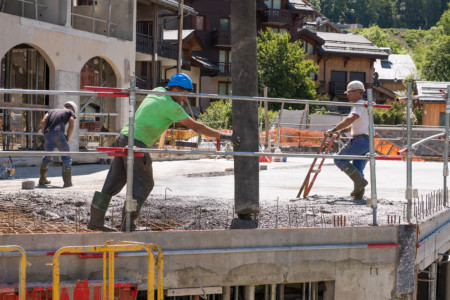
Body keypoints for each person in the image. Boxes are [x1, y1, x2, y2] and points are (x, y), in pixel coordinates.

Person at [87, 73, 240, 232]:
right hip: (137, 143)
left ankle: (95, 221)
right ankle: (128, 223)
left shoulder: (157, 91)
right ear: (174, 88)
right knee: (144, 184)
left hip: (123, 138)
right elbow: (197, 127)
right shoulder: (172, 107)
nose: (185, 99)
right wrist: (224, 136)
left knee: (113, 182)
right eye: (184, 94)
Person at [325, 80, 369, 199]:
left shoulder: (359, 104)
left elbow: (350, 119)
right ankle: (359, 194)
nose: (347, 94)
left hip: (360, 140)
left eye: (349, 92)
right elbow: (355, 124)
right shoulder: (365, 105)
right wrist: (342, 130)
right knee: (358, 167)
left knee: (339, 159)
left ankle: (360, 183)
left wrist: (333, 130)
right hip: (367, 142)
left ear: (357, 92)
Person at [39, 101, 77, 188]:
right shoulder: (70, 112)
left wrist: (44, 132)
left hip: (48, 133)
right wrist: (67, 137)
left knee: (47, 156)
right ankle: (67, 183)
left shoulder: (51, 111)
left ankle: (42, 180)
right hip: (59, 133)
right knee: (66, 157)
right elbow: (71, 125)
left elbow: (43, 120)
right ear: (72, 109)